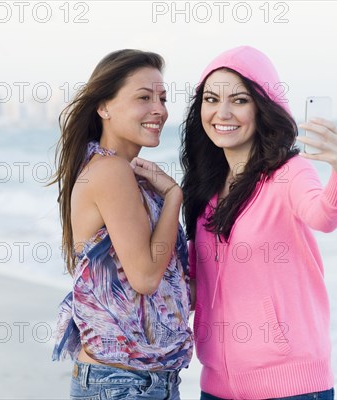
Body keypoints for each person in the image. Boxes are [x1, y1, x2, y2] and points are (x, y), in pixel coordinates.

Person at [181, 46, 337, 399]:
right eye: (212, 99)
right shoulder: (205, 188)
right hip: (216, 386)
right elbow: (194, 280)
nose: (223, 112)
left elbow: (324, 216)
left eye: (240, 100)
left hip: (290, 386)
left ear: (263, 107)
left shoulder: (289, 173)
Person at [51, 49, 192, 399]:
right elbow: (145, 276)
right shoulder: (110, 171)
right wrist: (174, 197)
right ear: (104, 107)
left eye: (162, 97)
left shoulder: (122, 172)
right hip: (122, 385)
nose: (158, 109)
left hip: (137, 381)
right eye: (143, 97)